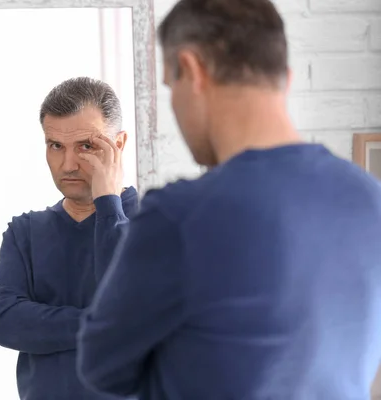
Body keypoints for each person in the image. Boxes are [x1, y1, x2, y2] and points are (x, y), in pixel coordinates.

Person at [77, 1, 381, 399]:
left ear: (193, 70)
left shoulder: (180, 216)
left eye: (170, 85)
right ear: (283, 79)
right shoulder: (369, 198)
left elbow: (101, 367)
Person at [0, 77, 138, 400]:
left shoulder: (156, 224)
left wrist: (108, 204)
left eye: (86, 145)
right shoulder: (25, 232)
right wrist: (104, 325)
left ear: (118, 145)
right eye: (55, 145)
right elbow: (3, 321)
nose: (68, 164)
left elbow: (131, 307)